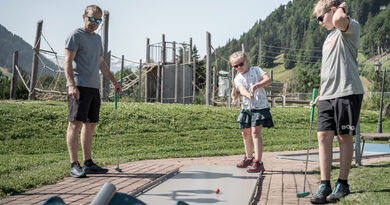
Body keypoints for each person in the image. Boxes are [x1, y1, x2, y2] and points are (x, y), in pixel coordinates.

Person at [310, 1, 364, 203]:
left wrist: (343, 7)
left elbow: (340, 19)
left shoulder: (350, 26)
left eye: (321, 18)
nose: (319, 22)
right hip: (327, 95)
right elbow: (329, 69)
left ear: (332, 11)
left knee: (343, 137)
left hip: (347, 91)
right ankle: (325, 184)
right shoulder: (328, 38)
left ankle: (343, 183)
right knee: (323, 137)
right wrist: (321, 93)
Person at [64, 5, 121, 178]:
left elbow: (101, 64)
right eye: (91, 19)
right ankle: (74, 164)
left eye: (98, 20)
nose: (94, 23)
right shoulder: (75, 36)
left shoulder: (97, 39)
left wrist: (114, 81)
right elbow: (67, 61)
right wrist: (71, 85)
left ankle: (88, 163)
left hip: (93, 87)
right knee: (75, 124)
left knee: (90, 125)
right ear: (84, 16)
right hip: (79, 86)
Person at [230, 51, 274, 173]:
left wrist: (256, 86)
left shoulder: (256, 70)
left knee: (255, 132)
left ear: (247, 61)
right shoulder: (238, 78)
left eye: (240, 64)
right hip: (247, 108)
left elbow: (268, 80)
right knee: (245, 133)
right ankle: (249, 158)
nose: (238, 68)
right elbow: (241, 89)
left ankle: (258, 162)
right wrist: (246, 94)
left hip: (259, 107)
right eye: (235, 66)